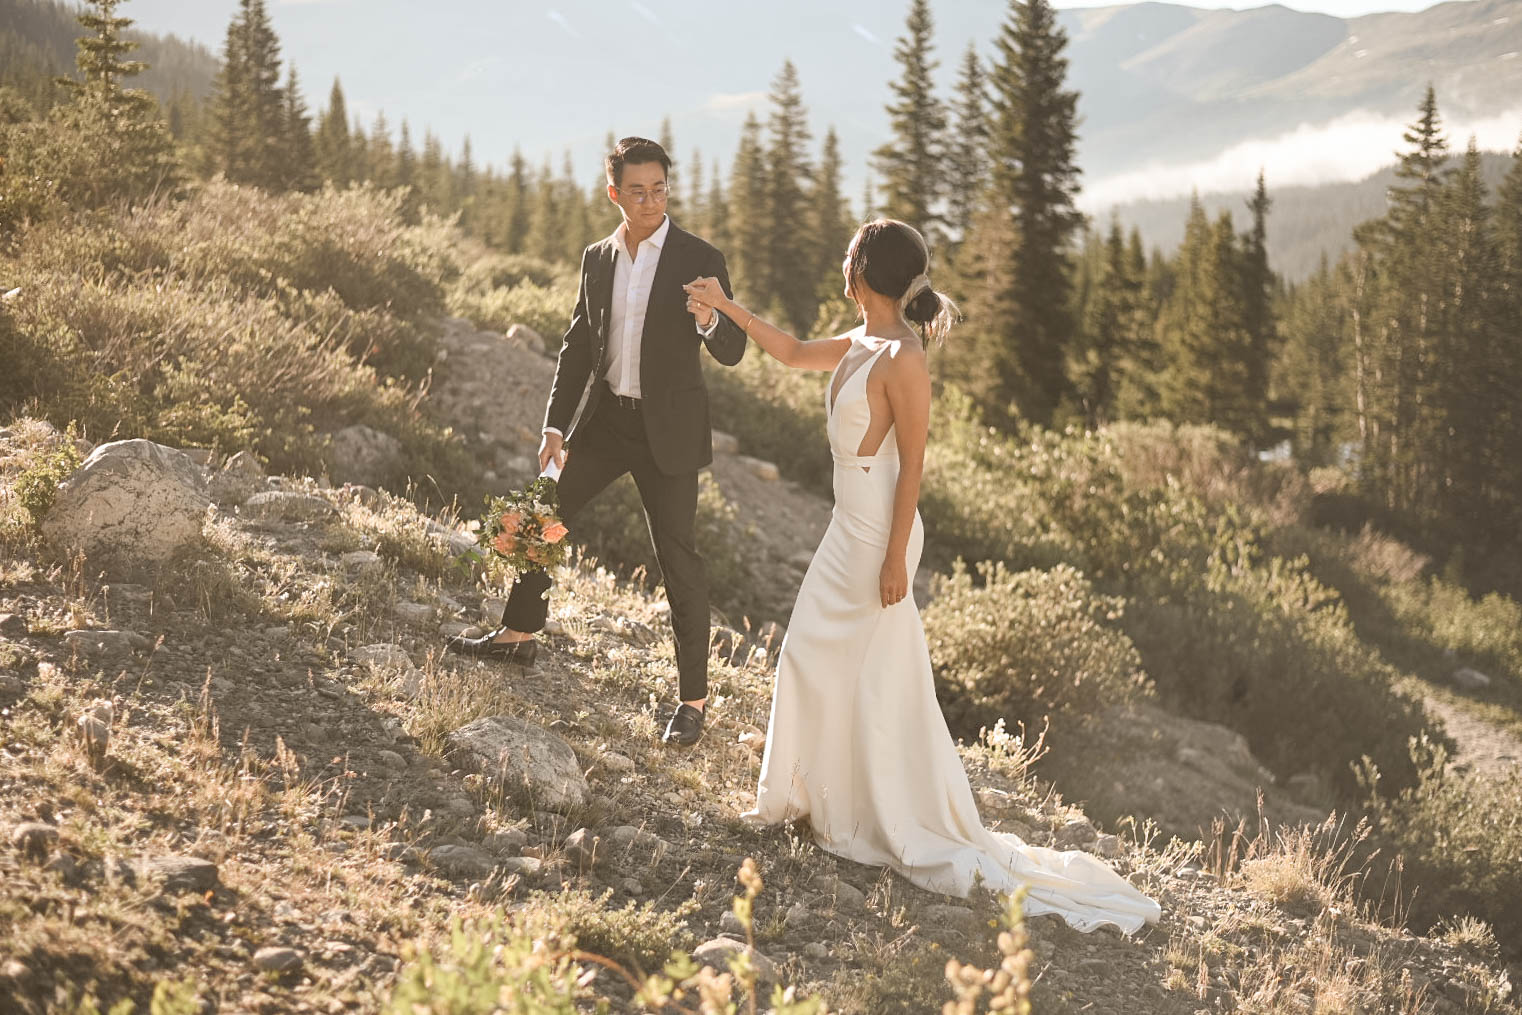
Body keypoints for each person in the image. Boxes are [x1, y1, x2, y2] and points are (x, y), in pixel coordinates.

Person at [682, 219, 1161, 933]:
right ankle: (812, 799)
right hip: (848, 523)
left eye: (849, 256)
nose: (841, 263)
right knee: (817, 660)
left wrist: (895, 556)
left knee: (845, 666)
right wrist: (726, 306)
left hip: (878, 531)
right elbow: (785, 351)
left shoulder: (903, 357)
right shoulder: (860, 340)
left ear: (865, 272)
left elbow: (914, 464)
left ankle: (850, 808)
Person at [449, 137, 746, 748]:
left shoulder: (700, 257)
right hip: (607, 422)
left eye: (659, 189)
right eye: (636, 191)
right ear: (614, 193)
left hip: (669, 434)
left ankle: (692, 701)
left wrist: (711, 318)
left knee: (678, 561)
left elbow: (734, 350)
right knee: (541, 518)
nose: (650, 201)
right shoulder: (597, 259)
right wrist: (555, 424)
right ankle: (518, 635)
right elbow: (579, 344)